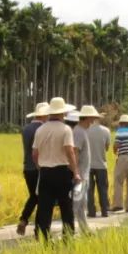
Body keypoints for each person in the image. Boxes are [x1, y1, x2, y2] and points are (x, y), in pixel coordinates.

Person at [32, 97, 79, 240]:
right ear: (63, 113)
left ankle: (45, 239)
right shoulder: (66, 129)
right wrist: (75, 171)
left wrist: (40, 167)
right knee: (66, 206)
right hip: (62, 172)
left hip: (46, 172)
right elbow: (69, 151)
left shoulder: (40, 129)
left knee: (45, 207)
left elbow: (34, 153)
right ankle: (68, 237)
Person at [17, 103, 48, 236]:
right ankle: (37, 229)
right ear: (44, 115)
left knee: (34, 196)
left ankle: (24, 219)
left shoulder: (26, 128)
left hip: (27, 168)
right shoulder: (42, 129)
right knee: (42, 199)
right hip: (39, 167)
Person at [67, 110, 91, 234]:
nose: (92, 121)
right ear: (86, 118)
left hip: (83, 174)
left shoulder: (81, 131)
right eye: (91, 118)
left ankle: (85, 229)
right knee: (75, 205)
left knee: (81, 205)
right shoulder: (78, 132)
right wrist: (76, 172)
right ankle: (68, 231)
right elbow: (74, 152)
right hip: (80, 174)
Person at [85, 110, 111, 219]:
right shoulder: (106, 131)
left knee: (89, 190)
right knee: (103, 189)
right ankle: (104, 211)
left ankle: (91, 212)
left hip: (88, 165)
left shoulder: (85, 130)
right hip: (101, 164)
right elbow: (107, 147)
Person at [110, 115, 128, 213]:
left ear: (122, 123)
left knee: (118, 180)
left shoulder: (120, 131)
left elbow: (116, 145)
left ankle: (118, 205)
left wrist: (115, 151)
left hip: (123, 157)